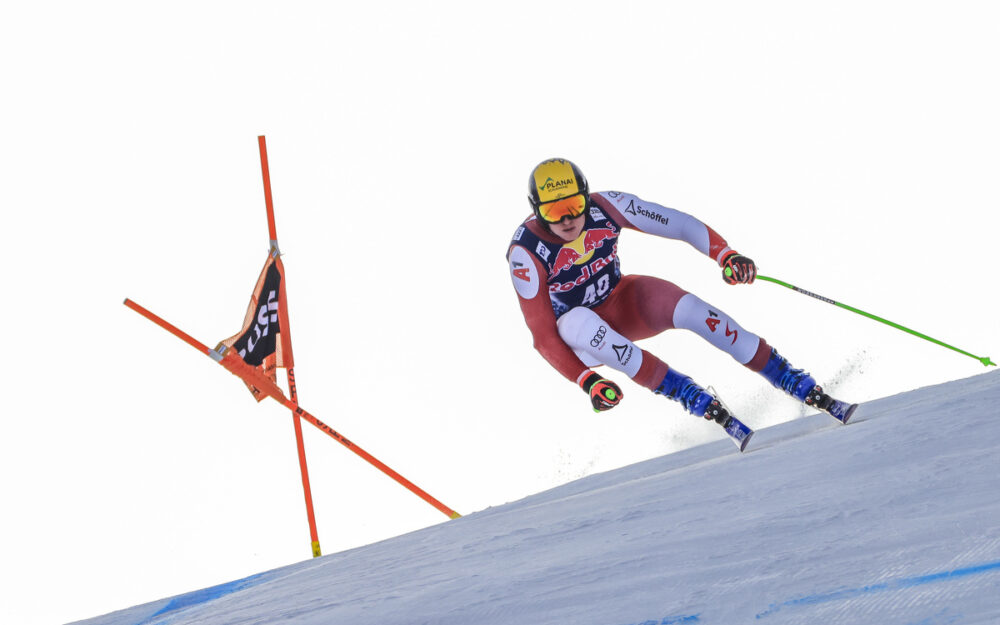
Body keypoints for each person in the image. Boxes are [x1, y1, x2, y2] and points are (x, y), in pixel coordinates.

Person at [506, 158, 852, 430]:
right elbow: (543, 336)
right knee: (575, 320)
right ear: (536, 210)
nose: (567, 219)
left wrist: (724, 254)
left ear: (587, 196)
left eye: (574, 205)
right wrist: (588, 380)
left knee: (694, 310)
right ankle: (685, 392)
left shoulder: (607, 206)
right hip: (580, 339)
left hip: (620, 300)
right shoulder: (526, 251)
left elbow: (680, 224)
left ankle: (789, 378)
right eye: (553, 211)